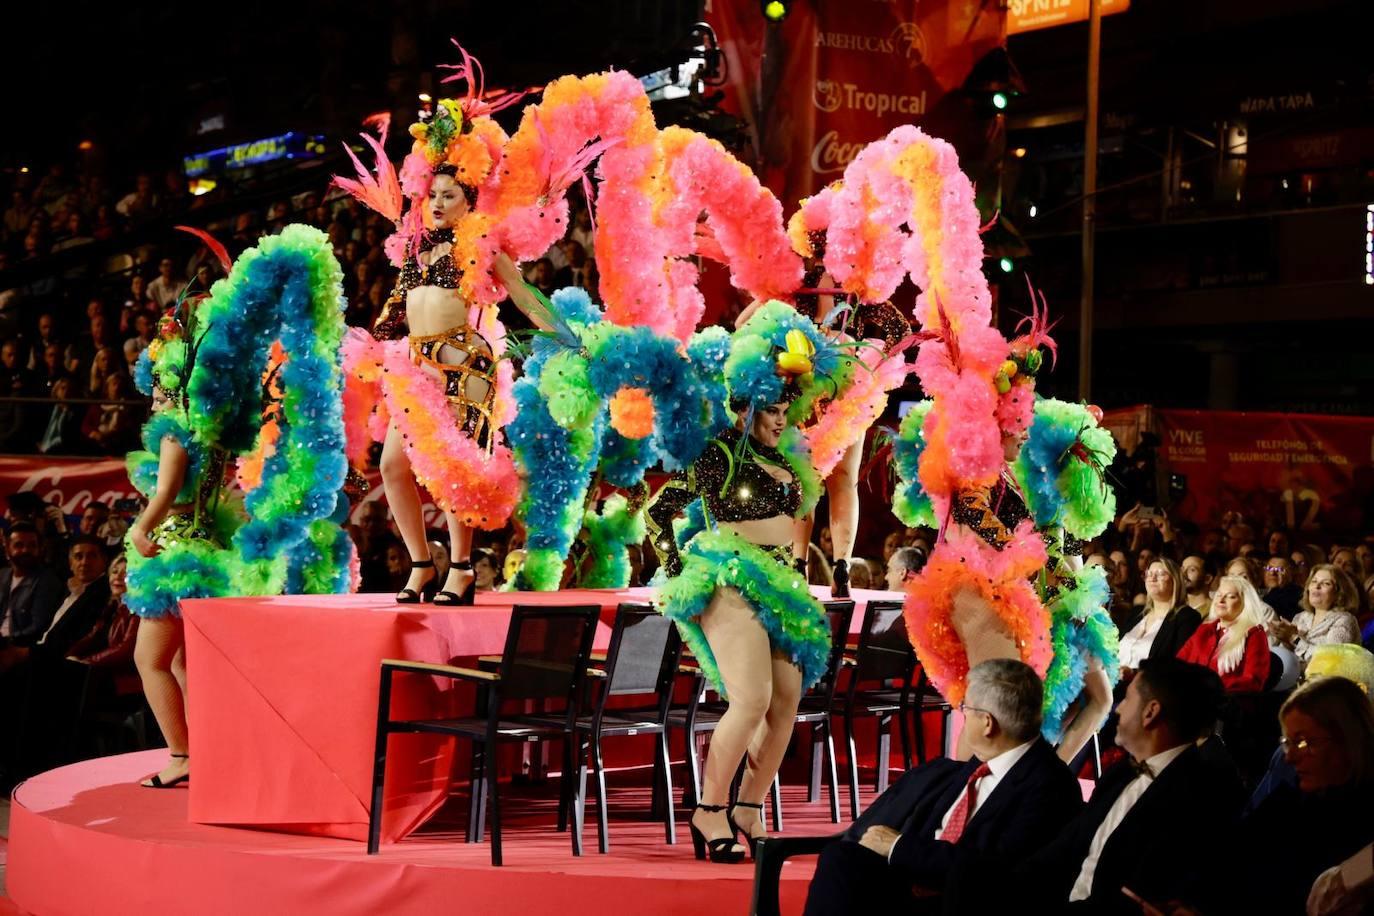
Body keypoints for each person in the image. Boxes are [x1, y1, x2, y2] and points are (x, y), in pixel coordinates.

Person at [340, 98, 551, 608]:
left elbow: (523, 296)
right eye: (431, 194)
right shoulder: (415, 248)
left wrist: (565, 335)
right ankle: (421, 564)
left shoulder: (481, 245)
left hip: (463, 363)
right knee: (392, 465)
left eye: (448, 195)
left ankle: (461, 569)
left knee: (456, 472)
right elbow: (399, 307)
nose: (435, 203)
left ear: (469, 200)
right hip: (414, 365)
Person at [648, 303, 835, 863]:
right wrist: (682, 571)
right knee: (751, 700)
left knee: (785, 708)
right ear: (748, 404)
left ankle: (748, 809)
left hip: (782, 584)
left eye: (786, 409)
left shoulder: (792, 461)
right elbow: (661, 511)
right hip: (731, 578)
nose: (782, 419)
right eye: (772, 410)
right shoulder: (719, 453)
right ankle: (709, 811)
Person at [956, 657, 1241, 914]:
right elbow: (1063, 850)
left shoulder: (1198, 797)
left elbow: (1130, 901)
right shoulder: (1123, 774)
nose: (1117, 709)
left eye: (1127, 699)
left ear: (1150, 712)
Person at [803, 660, 1083, 915]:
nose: (963, 715)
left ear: (987, 723)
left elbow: (995, 871)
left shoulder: (1050, 786)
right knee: (841, 860)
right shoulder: (976, 765)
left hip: (963, 899)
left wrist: (899, 846)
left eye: (966, 708)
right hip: (912, 879)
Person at [1194, 677, 1374, 915]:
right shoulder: (1287, 801)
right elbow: (1225, 860)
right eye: (1287, 743)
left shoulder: (1363, 833)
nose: (1289, 757)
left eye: (1302, 743)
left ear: (1349, 738)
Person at [1177, 574, 1272, 693]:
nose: (1221, 600)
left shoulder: (1254, 634)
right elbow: (1178, 665)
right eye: (1219, 595)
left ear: (1244, 603)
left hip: (1227, 703)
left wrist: (1209, 689)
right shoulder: (1204, 630)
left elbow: (1253, 681)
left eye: (1231, 597)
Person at [1116, 558, 1203, 679]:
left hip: (1150, 689)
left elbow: (1178, 666)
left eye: (1161, 574)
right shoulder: (1137, 612)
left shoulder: (1186, 617)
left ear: (1175, 581)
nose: (1152, 578)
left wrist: (1133, 673)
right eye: (1149, 574)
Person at [0, 521, 64, 644]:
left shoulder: (47, 580)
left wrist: (6, 641)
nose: (26, 550)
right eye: (18, 545)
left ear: (39, 549)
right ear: (7, 549)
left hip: (17, 647)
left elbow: (37, 627)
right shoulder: (2, 575)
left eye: (32, 545)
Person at [1286, 565, 1362, 663]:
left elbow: (1329, 659)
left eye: (1326, 583)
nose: (1317, 586)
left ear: (1339, 593)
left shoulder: (1345, 620)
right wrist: (1284, 639)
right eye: (1314, 581)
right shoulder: (1300, 617)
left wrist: (1294, 638)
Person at [1180, 553, 1217, 617]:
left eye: (1192, 570)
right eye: (1182, 569)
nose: (1183, 574)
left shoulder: (1214, 610)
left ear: (1207, 579)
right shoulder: (1176, 608)